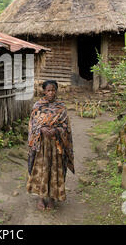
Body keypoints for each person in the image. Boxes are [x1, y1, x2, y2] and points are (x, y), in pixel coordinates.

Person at [26, 80, 75, 210]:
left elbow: (66, 127)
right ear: (44, 91)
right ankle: (41, 198)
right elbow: (32, 125)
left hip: (56, 145)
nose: (51, 93)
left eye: (53, 90)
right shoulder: (37, 106)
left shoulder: (61, 107)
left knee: (55, 171)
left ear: (56, 91)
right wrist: (41, 130)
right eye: (48, 90)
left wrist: (56, 130)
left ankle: (53, 198)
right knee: (41, 170)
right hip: (41, 145)